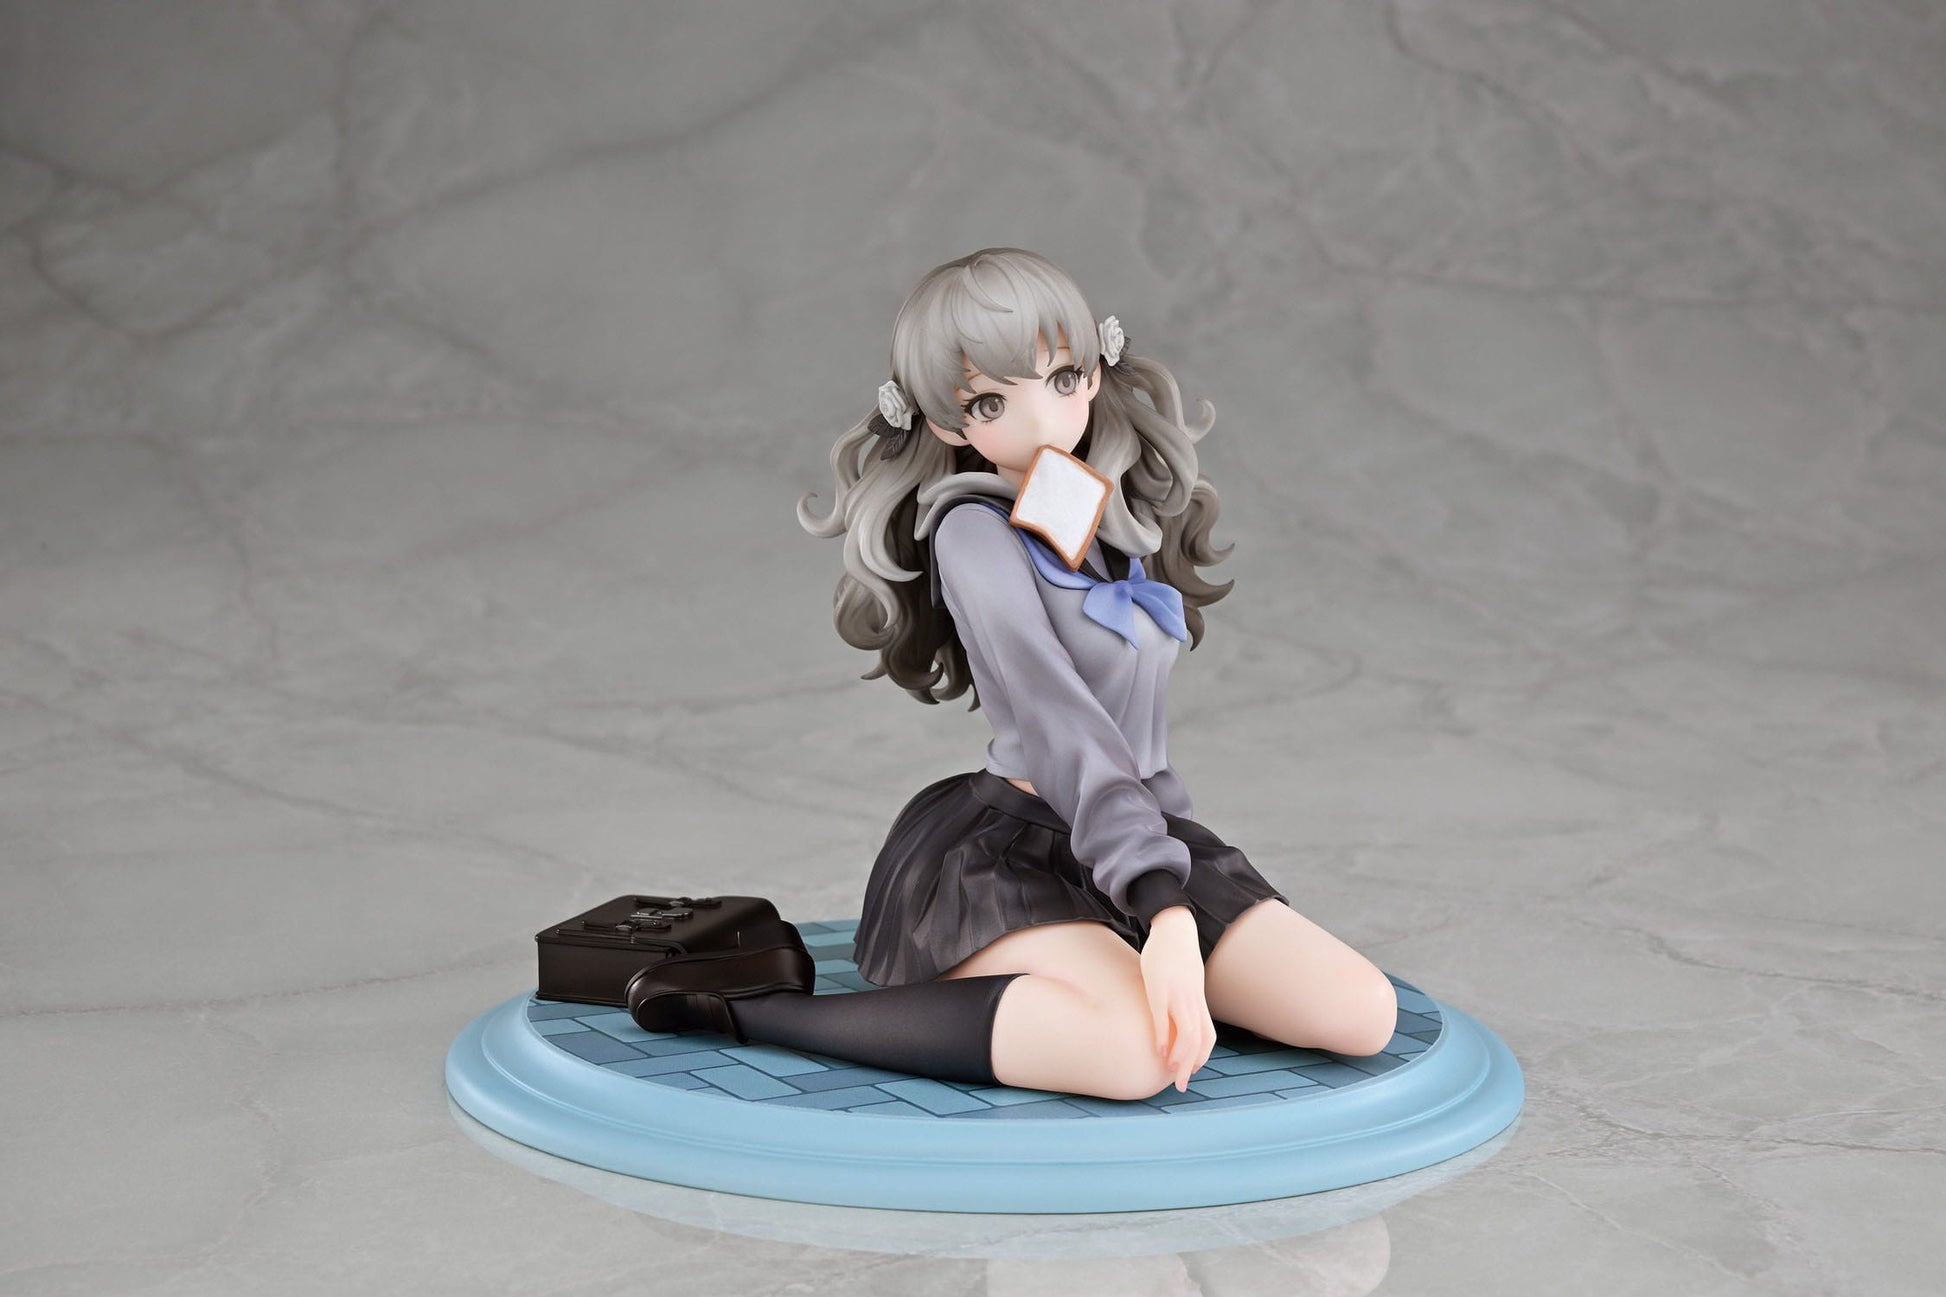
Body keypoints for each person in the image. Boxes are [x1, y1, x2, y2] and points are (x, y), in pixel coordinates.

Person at [628, 248, 1397, 1099]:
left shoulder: (1098, 512)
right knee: (1135, 1056)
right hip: (1011, 851)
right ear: (946, 423)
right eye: (991, 401)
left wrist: (1169, 882)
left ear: (1094, 372)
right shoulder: (972, 534)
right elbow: (1060, 719)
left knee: (1361, 1013)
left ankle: (1113, 970)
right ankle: (758, 1013)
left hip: (1131, 831)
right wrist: (1166, 909)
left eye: (1062, 378)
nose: (1039, 419)